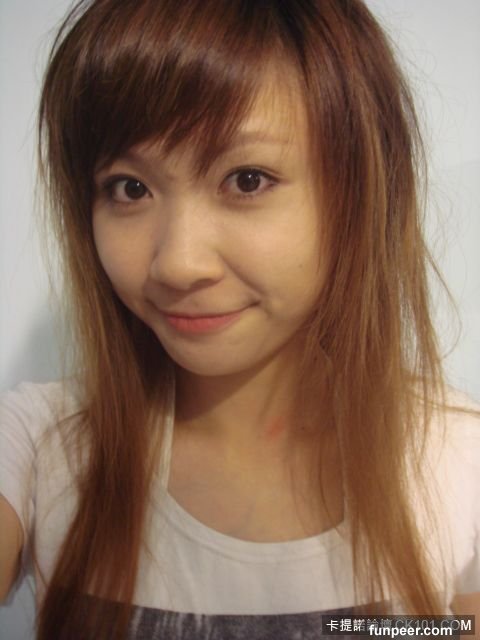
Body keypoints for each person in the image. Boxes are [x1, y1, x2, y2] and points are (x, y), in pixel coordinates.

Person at [0, 0, 479, 638]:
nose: (178, 264)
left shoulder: (458, 462)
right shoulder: (42, 445)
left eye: (247, 179)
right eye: (130, 188)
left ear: (359, 193)